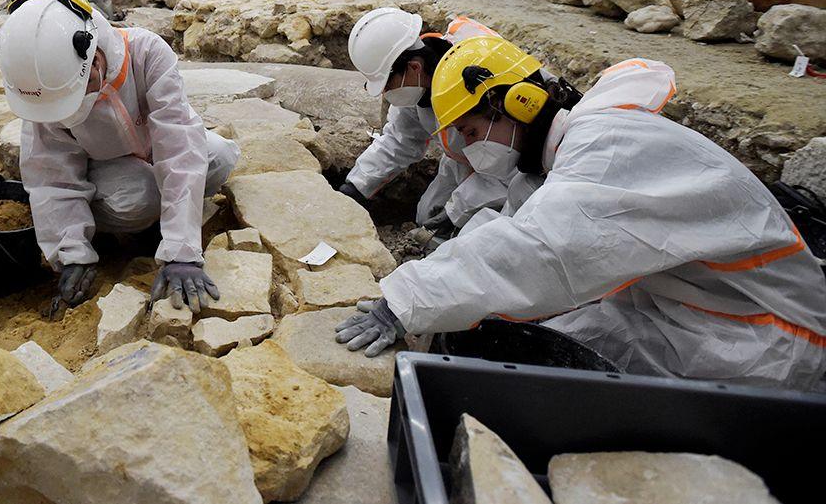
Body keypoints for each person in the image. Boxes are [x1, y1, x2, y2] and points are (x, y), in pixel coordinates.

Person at [336, 36, 826, 390]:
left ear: (518, 104)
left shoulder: (608, 150)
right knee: (528, 339)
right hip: (679, 305)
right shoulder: (558, 157)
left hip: (760, 335)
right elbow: (512, 224)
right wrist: (431, 275)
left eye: (468, 130)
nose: (464, 146)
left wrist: (406, 299)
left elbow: (539, 251)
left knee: (541, 369)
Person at [0, 0, 239, 314]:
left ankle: (165, 225)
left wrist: (182, 252)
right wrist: (71, 253)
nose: (76, 105)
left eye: (82, 91)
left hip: (152, 149)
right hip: (108, 169)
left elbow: (179, 145)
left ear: (93, 58)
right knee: (141, 197)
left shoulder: (146, 52)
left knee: (218, 158)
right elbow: (51, 175)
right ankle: (115, 229)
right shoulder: (43, 89)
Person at [340, 8, 511, 230]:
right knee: (426, 218)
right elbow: (400, 140)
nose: (385, 94)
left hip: (509, 172)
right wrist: (356, 186)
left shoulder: (481, 86)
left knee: (467, 231)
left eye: (387, 85)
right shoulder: (419, 85)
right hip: (462, 161)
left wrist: (457, 212)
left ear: (414, 67)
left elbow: (507, 167)